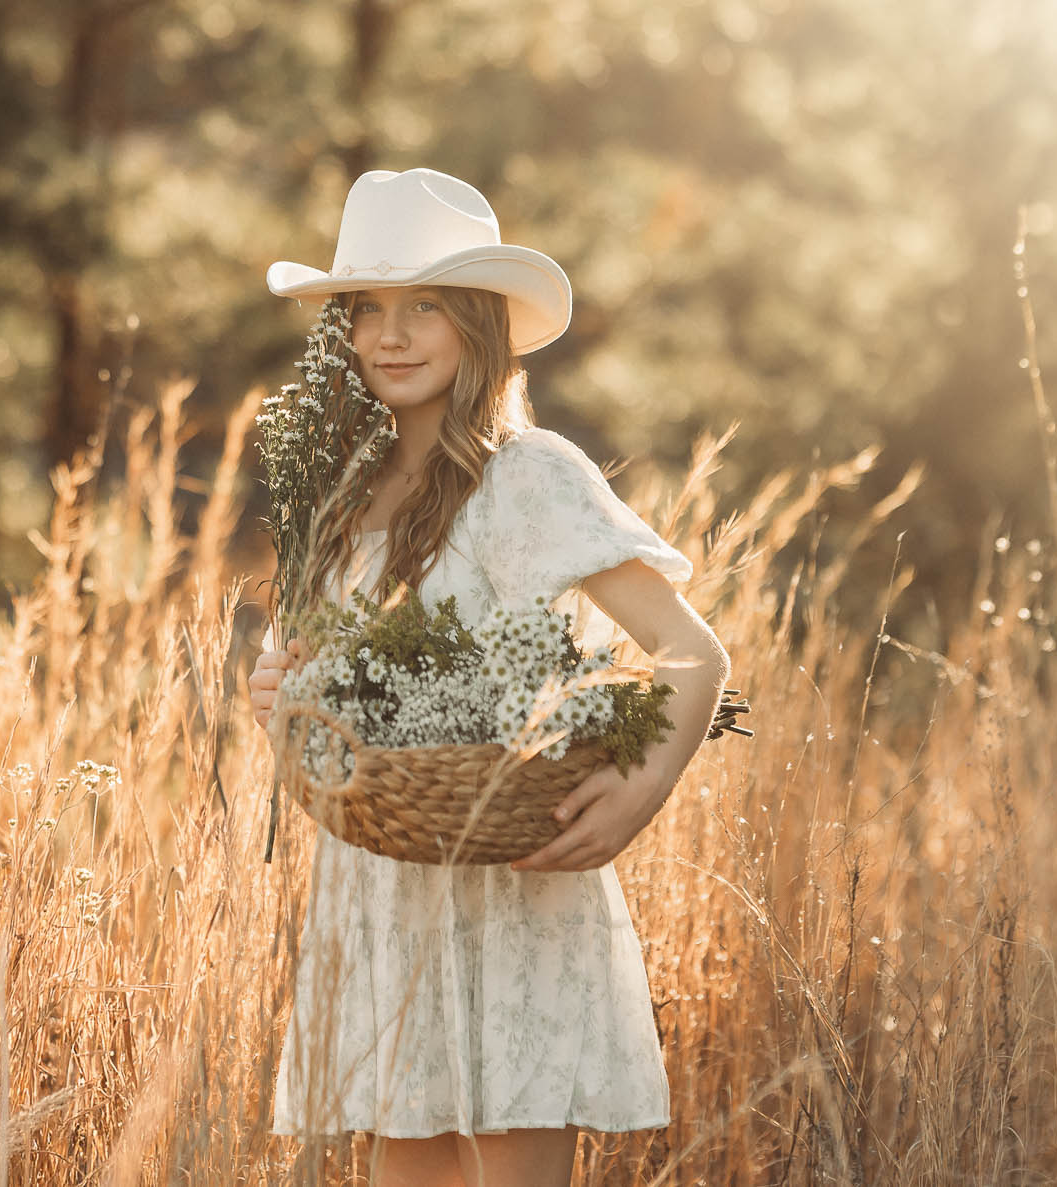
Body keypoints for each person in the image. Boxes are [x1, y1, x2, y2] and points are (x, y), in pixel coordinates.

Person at [249, 168, 731, 1187]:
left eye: (424, 304)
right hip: (382, 895)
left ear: (478, 323)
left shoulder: (531, 476)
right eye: (369, 308)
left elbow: (693, 652)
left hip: (512, 897)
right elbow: (321, 691)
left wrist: (637, 790)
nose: (391, 332)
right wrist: (278, 701)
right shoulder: (336, 498)